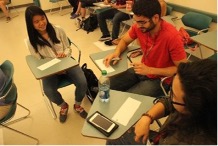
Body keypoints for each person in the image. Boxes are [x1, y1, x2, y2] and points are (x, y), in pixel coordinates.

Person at [107, 59, 217, 145]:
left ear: (194, 108)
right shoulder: (198, 106)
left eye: (173, 95)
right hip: (162, 137)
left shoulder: (191, 140)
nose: (169, 97)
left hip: (162, 140)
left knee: (115, 136)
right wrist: (147, 117)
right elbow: (169, 102)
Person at [104, 0, 187, 97]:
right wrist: (116, 52)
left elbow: (182, 68)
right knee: (107, 86)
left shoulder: (172, 36)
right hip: (142, 70)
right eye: (136, 21)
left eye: (142, 22)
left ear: (156, 18)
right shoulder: (139, 26)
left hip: (160, 79)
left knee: (127, 99)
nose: (138, 26)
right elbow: (124, 41)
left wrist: (150, 70)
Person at [25, 6, 88, 123]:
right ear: (30, 24)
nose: (41, 23)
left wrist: (64, 55)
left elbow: (68, 48)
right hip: (50, 69)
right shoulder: (30, 41)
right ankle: (63, 105)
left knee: (82, 82)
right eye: (36, 21)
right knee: (48, 91)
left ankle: (77, 104)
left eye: (42, 18)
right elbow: (38, 59)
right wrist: (55, 69)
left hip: (67, 63)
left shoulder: (58, 29)